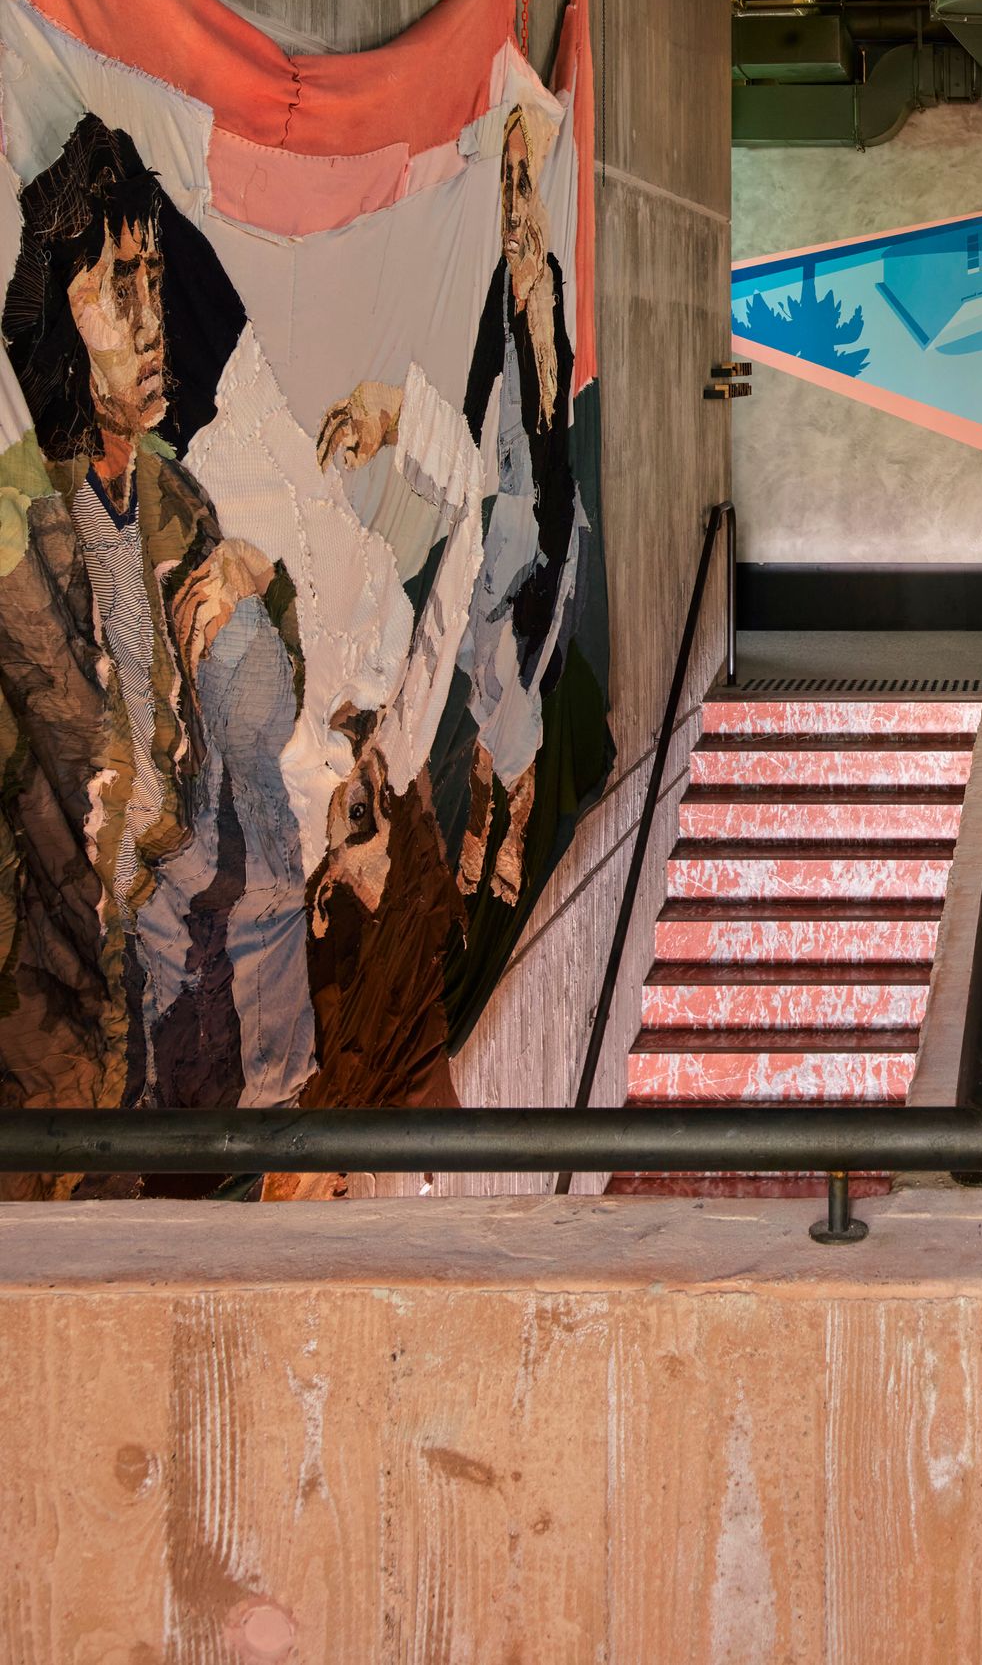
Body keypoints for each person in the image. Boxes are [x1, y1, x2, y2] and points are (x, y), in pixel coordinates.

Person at [0, 114, 308, 1122]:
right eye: (113, 286)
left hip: (181, 1015)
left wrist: (260, 582)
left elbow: (267, 716)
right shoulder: (16, 515)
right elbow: (101, 784)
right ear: (57, 312)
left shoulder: (177, 500)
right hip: (64, 1035)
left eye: (152, 279)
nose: (148, 319)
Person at [319, 102, 580, 909]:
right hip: (493, 505)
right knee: (477, 672)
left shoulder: (543, 290)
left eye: (520, 180)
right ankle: (489, 819)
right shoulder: (500, 288)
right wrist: (423, 432)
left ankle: (509, 822)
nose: (511, 199)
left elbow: (550, 400)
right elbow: (473, 392)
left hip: (530, 522)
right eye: (504, 182)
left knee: (506, 687)